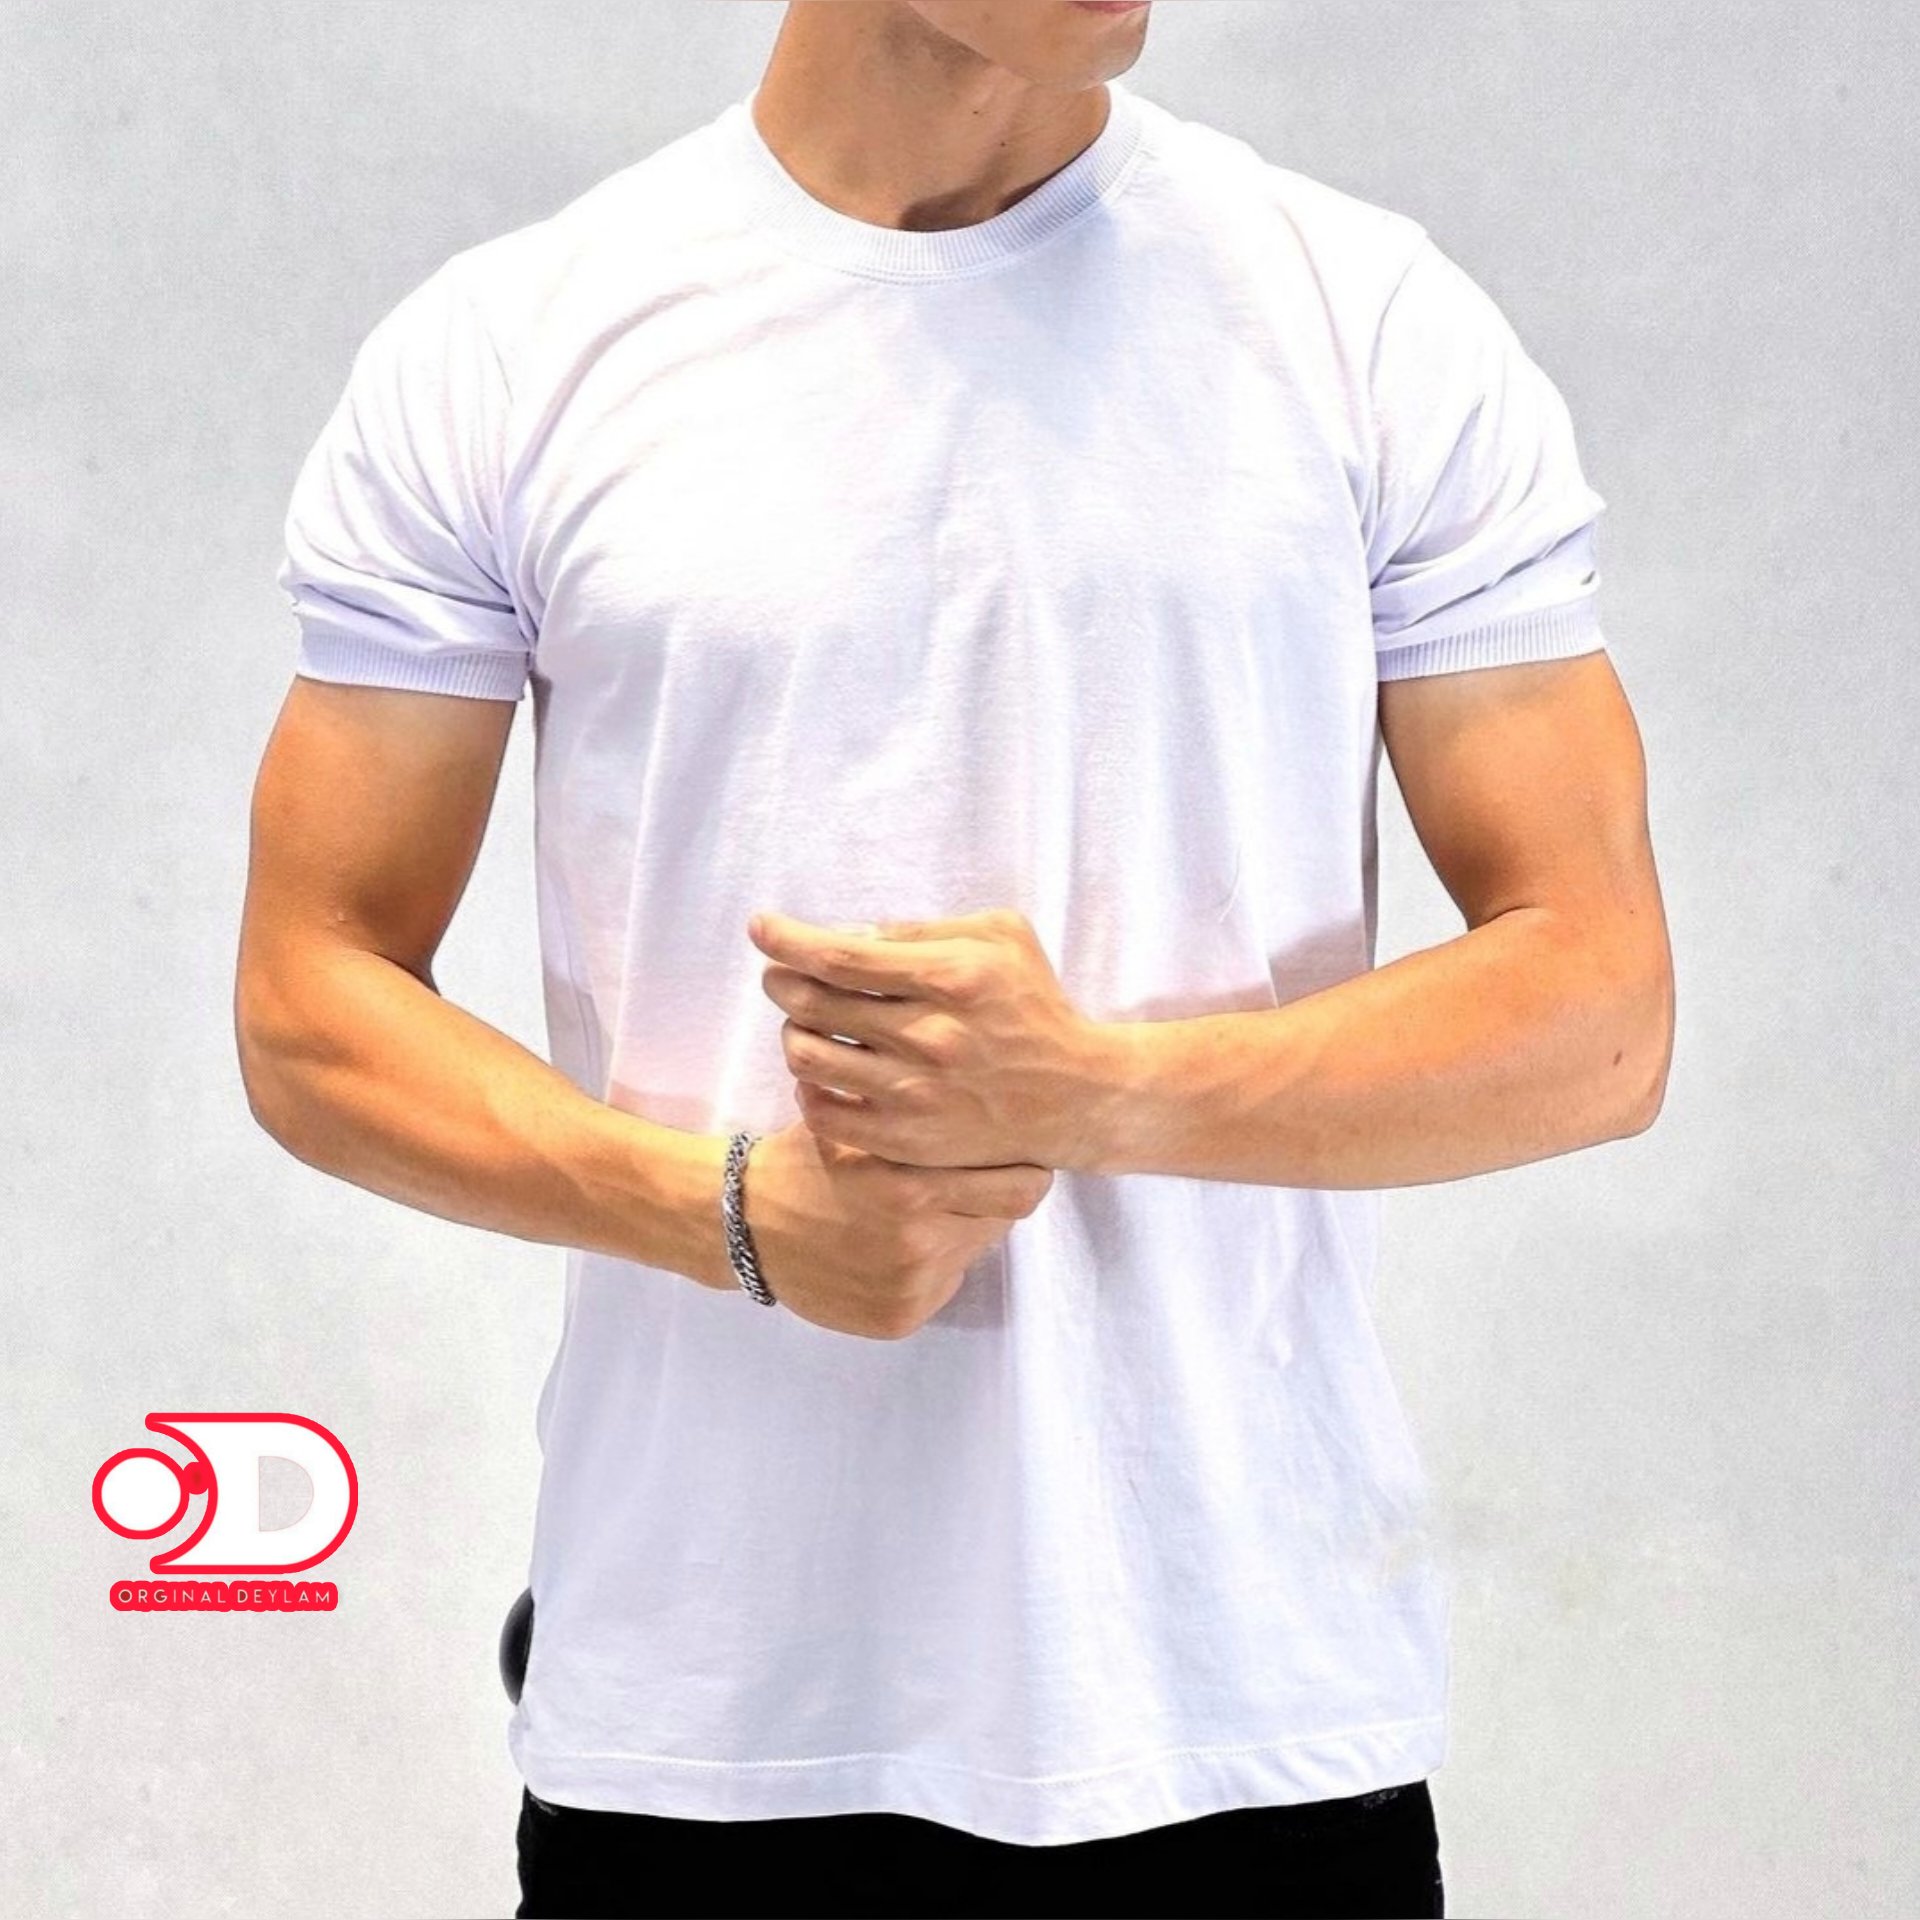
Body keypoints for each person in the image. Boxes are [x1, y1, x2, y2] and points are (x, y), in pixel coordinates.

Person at [238, 2, 1673, 1915]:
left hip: (1242, 1715)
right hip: (708, 1725)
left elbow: (1601, 1010)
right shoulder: (513, 352)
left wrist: (1094, 1089)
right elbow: (311, 1004)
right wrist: (733, 1214)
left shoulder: (1366, 325)